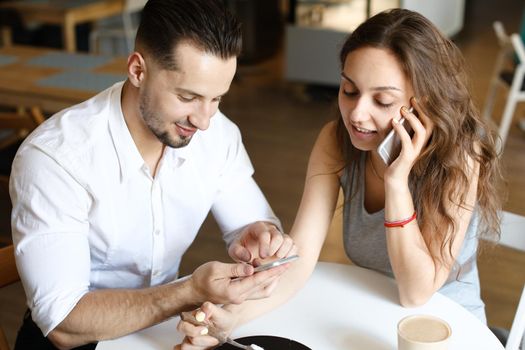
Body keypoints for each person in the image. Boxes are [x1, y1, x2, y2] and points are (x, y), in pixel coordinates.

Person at [176, 8, 504, 349]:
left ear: (423, 105)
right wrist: (232, 319)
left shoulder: (461, 156)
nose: (358, 114)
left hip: (447, 326)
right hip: (370, 312)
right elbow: (299, 258)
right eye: (349, 90)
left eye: (383, 100)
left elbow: (416, 292)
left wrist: (396, 182)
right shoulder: (335, 141)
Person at [9, 1, 296, 349]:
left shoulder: (217, 134)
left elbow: (252, 226)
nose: (204, 120)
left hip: (157, 333)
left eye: (217, 98)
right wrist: (189, 292)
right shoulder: (57, 157)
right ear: (137, 70)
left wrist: (261, 240)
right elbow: (63, 324)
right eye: (188, 97)